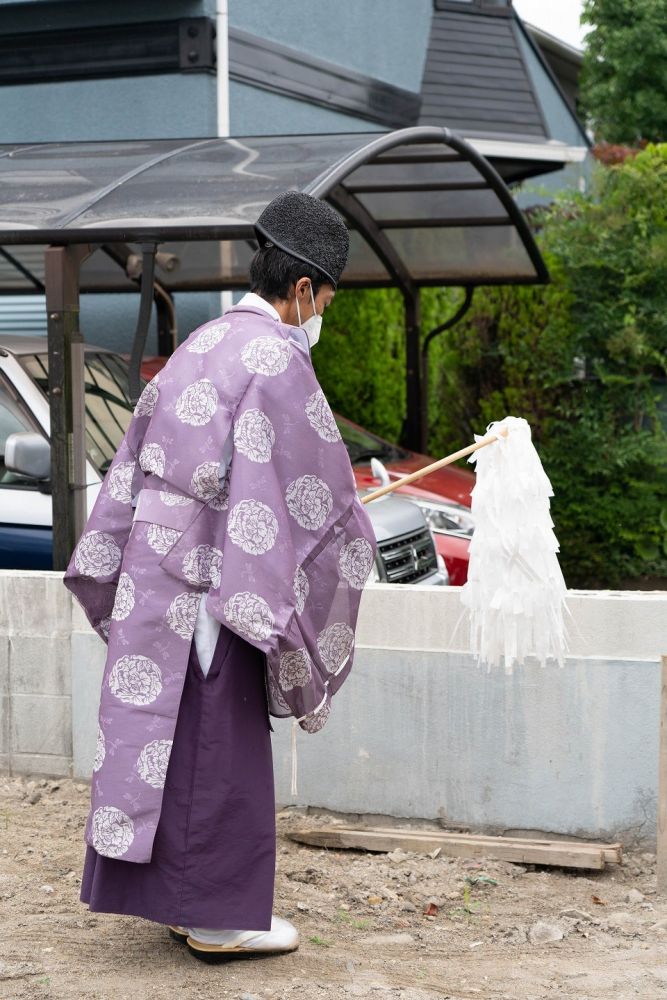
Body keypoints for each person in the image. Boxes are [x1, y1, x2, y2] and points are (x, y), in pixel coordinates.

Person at [63, 192, 377, 962]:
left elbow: (132, 463)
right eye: (325, 300)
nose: (321, 316)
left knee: (163, 740)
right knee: (215, 739)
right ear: (303, 290)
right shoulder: (275, 356)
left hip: (152, 563)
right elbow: (309, 495)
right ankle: (215, 918)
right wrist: (346, 525)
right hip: (211, 575)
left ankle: (176, 898)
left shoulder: (201, 342)